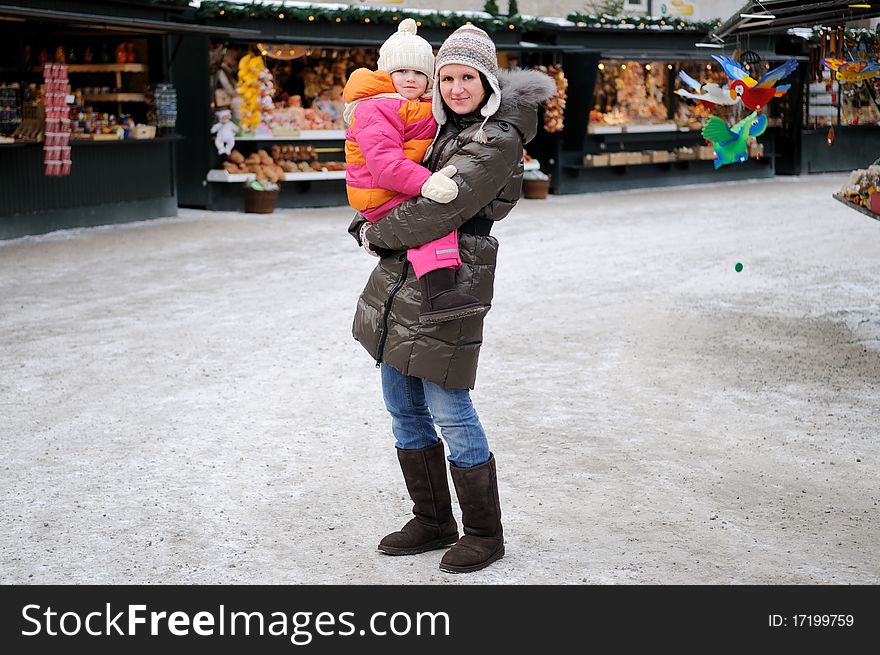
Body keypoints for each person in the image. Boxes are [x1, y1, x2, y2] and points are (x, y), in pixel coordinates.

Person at [349, 25, 555, 573]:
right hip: (404, 281)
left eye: (468, 77)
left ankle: (484, 532)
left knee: (449, 407)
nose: (457, 87)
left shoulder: (497, 136)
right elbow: (393, 180)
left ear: (487, 82)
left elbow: (444, 207)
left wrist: (375, 234)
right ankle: (433, 519)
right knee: (402, 404)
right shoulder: (440, 126)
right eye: (448, 77)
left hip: (450, 280)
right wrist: (366, 217)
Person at [344, 19, 487, 324]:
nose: (410, 79)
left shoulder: (423, 105)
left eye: (419, 73)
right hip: (378, 190)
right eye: (401, 72)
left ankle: (436, 291)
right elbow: (385, 165)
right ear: (386, 74)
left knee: (429, 220)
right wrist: (427, 183)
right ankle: (438, 293)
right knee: (432, 221)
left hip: (394, 185)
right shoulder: (375, 109)